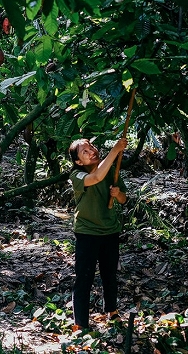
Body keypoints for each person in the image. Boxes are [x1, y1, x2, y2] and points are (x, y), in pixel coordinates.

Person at [68, 137, 128, 330]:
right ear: (78, 162)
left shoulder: (110, 169)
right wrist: (115, 150)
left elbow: (124, 199)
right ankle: (81, 324)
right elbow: (95, 178)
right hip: (87, 231)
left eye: (91, 147)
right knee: (84, 278)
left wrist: (117, 194)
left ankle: (112, 311)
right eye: (84, 152)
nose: (91, 151)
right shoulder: (76, 175)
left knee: (109, 274)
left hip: (110, 230)